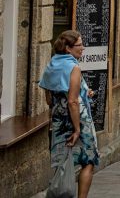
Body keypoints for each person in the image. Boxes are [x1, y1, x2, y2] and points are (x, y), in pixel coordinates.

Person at [39, 30, 99, 198]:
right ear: (68, 48)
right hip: (78, 119)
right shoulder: (73, 67)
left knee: (64, 161)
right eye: (80, 45)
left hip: (58, 120)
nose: (83, 48)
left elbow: (49, 100)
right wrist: (77, 129)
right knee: (88, 161)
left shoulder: (51, 65)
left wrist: (83, 93)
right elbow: (73, 101)